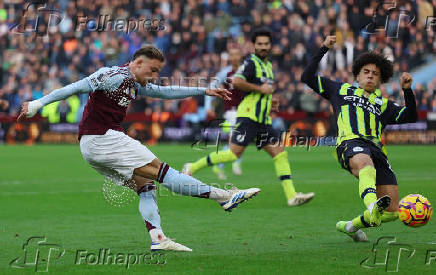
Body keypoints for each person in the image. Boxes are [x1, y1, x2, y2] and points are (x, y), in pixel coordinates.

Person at [18, 45, 261, 252]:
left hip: (92, 146)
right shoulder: (114, 75)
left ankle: (158, 238)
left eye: (158, 71)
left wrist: (204, 90)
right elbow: (75, 87)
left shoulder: (134, 82)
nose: (154, 75)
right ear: (137, 62)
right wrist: (38, 103)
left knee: (145, 185)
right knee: (161, 171)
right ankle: (225, 197)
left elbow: (165, 92)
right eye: (152, 70)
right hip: (103, 138)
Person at [301, 36, 417, 242]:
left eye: (375, 74)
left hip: (377, 150)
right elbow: (307, 76)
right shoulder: (340, 90)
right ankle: (372, 205)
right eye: (366, 72)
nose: (370, 76)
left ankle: (350, 226)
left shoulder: (384, 104)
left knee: (392, 212)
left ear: (381, 80)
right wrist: (324, 49)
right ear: (357, 75)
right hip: (351, 142)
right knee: (366, 166)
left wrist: (407, 91)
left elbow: (411, 116)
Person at [183, 29, 315, 206]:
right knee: (232, 154)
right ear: (254, 46)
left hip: (263, 120)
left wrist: (271, 100)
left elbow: (266, 88)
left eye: (266, 44)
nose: (263, 47)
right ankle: (192, 167)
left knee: (280, 154)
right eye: (259, 44)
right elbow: (237, 81)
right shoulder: (251, 62)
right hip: (248, 117)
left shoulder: (267, 66)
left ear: (270, 45)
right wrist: (261, 90)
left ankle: (292, 196)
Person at [208, 47, 245, 180]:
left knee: (238, 141)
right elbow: (214, 86)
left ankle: (220, 164)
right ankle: (232, 164)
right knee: (237, 141)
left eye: (237, 54)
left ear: (240, 56)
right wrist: (210, 106)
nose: (235, 57)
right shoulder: (228, 73)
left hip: (244, 111)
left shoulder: (246, 71)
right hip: (232, 111)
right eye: (232, 55)